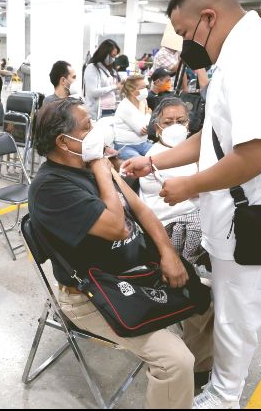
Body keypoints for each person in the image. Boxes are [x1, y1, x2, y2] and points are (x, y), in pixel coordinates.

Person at [122, 0, 261, 409]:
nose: (186, 45)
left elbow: (254, 157)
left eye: (187, 32)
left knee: (237, 320)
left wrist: (187, 184)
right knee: (227, 310)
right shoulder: (235, 54)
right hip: (233, 215)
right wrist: (154, 160)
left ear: (209, 17)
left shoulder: (258, 56)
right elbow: (212, 136)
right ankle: (220, 390)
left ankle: (225, 399)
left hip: (256, 219)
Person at [28, 97, 213, 409]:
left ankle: (195, 380)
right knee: (173, 361)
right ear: (63, 141)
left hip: (138, 274)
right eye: (88, 126)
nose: (97, 130)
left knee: (209, 302)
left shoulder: (90, 165)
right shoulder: (51, 188)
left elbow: (140, 209)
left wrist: (168, 254)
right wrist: (102, 168)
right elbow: (118, 227)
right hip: (93, 294)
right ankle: (181, 381)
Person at [138, 97, 206, 264]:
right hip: (169, 222)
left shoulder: (187, 150)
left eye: (180, 121)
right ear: (157, 128)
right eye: (168, 122)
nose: (175, 127)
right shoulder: (156, 157)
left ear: (188, 124)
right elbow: (199, 190)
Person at [112, 74, 153, 158]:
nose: (145, 90)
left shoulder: (142, 101)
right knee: (141, 163)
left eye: (146, 87)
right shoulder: (125, 107)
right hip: (125, 146)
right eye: (142, 88)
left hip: (143, 144)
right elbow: (142, 131)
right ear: (131, 91)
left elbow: (147, 126)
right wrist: (148, 114)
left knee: (163, 154)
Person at [83, 39, 121, 120]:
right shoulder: (92, 68)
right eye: (112, 56)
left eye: (115, 56)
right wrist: (114, 87)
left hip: (112, 109)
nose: (114, 59)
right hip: (99, 112)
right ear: (105, 53)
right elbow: (92, 92)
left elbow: (115, 92)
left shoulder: (111, 69)